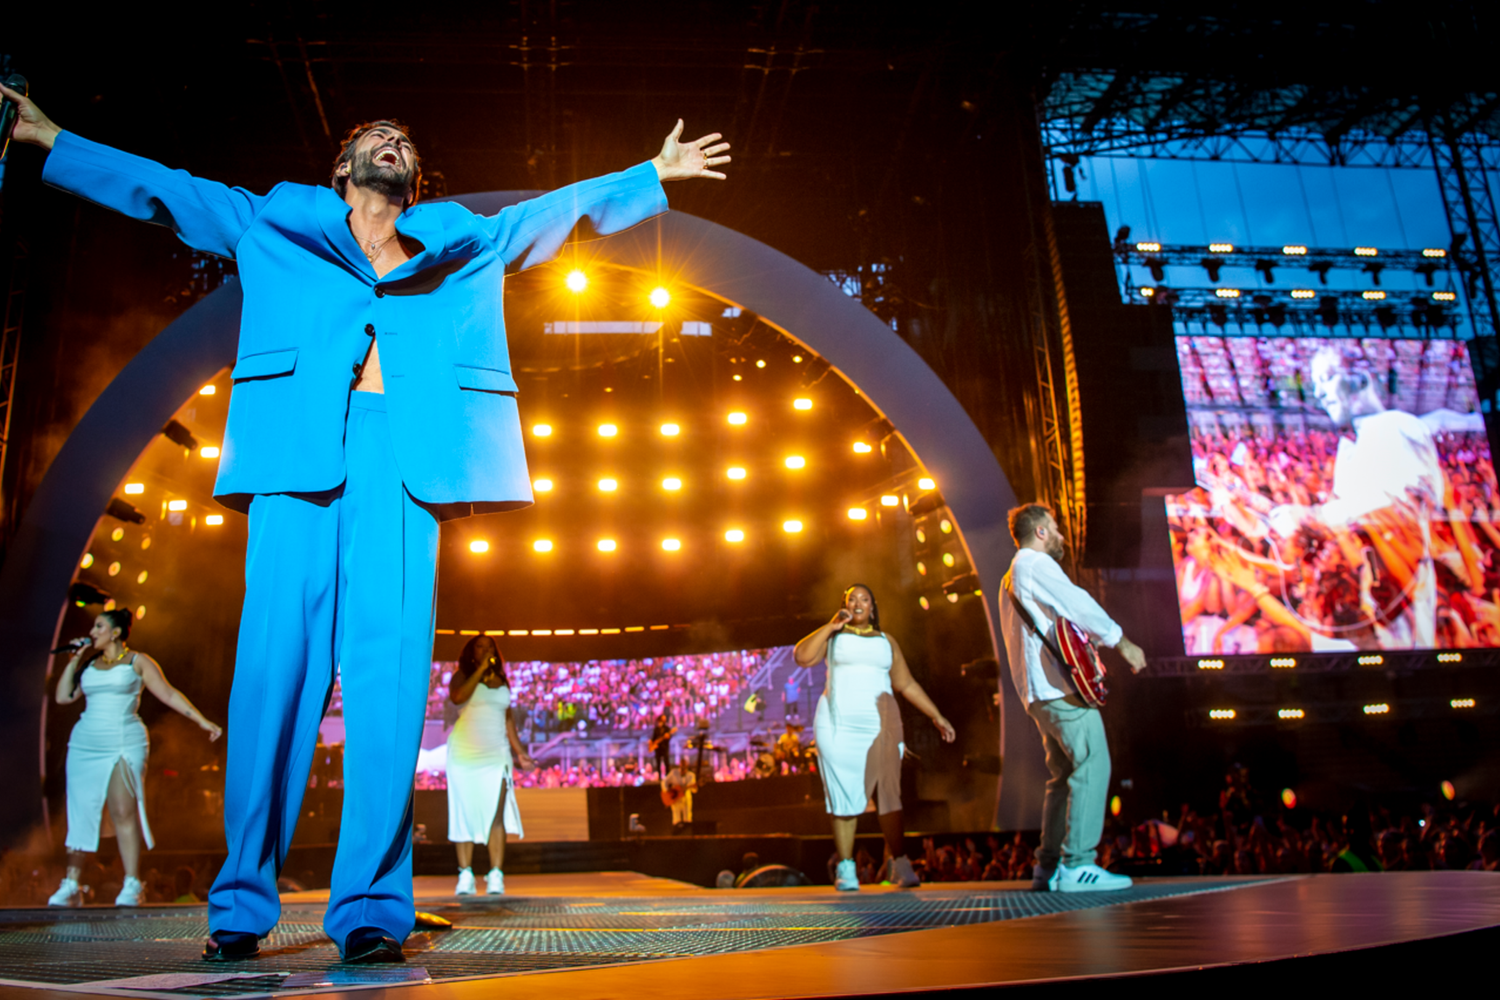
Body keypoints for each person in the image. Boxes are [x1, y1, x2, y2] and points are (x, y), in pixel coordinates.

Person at [2, 83, 727, 962]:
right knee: (274, 676)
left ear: (414, 177)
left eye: (403, 139)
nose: (390, 141)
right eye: (372, 135)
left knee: (387, 687)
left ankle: (372, 914)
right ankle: (239, 907)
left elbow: (554, 213)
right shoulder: (275, 224)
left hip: (401, 460)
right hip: (294, 462)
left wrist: (652, 171)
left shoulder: (460, 240)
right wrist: (51, 140)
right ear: (341, 167)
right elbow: (167, 189)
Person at [999, 503, 1146, 893]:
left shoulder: (1011, 575)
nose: (1061, 535)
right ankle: (1078, 864)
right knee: (1094, 764)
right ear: (1041, 532)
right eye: (1056, 528)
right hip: (1058, 690)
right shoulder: (1034, 564)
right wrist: (1121, 642)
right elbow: (1077, 603)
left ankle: (1047, 868)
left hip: (1038, 693)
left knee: (1062, 776)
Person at [1261, 346, 1446, 648]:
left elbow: (1406, 508)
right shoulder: (1347, 448)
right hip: (1375, 604)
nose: (1319, 394)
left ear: (1361, 377)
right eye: (1316, 385)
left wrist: (1316, 517)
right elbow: (1347, 527)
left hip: (1406, 607)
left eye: (1328, 378)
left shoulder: (1396, 425)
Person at [48, 609, 222, 908]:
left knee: (122, 808)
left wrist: (202, 721)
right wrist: (74, 659)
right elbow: (64, 697)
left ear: (115, 632)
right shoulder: (89, 662)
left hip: (124, 738)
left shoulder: (137, 661)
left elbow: (167, 694)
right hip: (86, 740)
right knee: (80, 808)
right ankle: (72, 883)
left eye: (99, 626)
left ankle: (131, 883)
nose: (92, 632)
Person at [794, 584, 955, 891]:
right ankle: (846, 867)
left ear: (872, 606)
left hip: (882, 722)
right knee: (843, 793)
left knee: (888, 792)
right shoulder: (833, 637)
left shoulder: (885, 641)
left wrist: (936, 716)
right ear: (844, 606)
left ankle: (900, 862)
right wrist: (831, 625)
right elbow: (801, 657)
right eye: (851, 599)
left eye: (864, 599)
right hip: (837, 723)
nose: (858, 603)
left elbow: (906, 684)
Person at [446, 636, 535, 896]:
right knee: (463, 812)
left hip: (496, 752)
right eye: (480, 647)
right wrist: (481, 671)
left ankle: (496, 874)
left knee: (497, 813)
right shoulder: (461, 676)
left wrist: (521, 753)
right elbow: (458, 697)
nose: (485, 651)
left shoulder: (502, 679)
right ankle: (465, 874)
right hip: (464, 751)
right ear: (472, 652)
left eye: (489, 647)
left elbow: (507, 719)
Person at [661, 756, 697, 830]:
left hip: (686, 798)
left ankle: (687, 832)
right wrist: (668, 791)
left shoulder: (691, 775)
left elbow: (694, 790)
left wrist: (694, 787)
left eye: (684, 766)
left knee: (687, 817)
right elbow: (664, 782)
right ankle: (676, 831)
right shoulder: (674, 772)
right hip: (675, 798)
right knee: (676, 817)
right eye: (681, 766)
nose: (683, 768)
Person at [648, 713, 676, 778]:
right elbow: (653, 738)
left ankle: (668, 777)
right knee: (658, 763)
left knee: (666, 763)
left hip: (665, 748)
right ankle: (659, 778)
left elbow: (670, 737)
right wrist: (652, 743)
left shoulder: (667, 729)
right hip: (658, 749)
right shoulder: (656, 729)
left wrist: (668, 737)